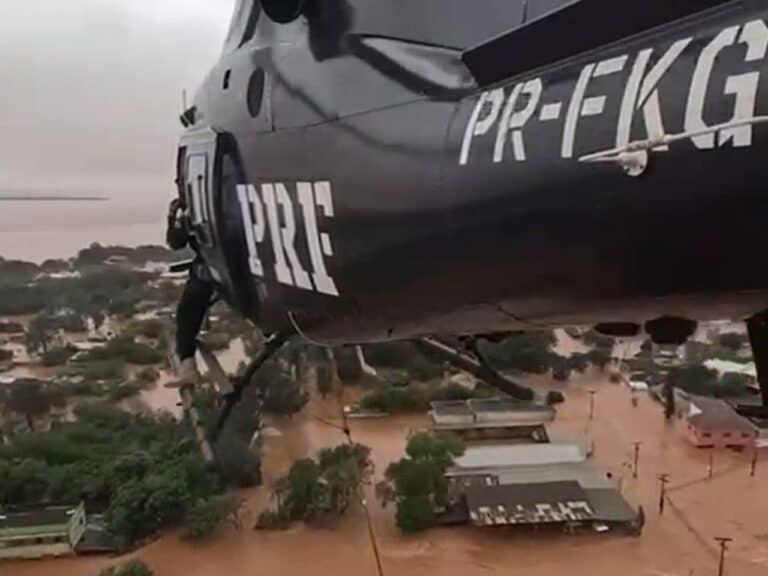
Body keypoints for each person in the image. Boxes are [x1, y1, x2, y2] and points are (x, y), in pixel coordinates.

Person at [166, 197, 214, 388]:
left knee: (187, 313)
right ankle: (189, 368)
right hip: (221, 268)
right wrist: (173, 217)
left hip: (212, 270)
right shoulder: (190, 210)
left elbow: (175, 242)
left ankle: (188, 367)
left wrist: (173, 217)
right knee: (187, 312)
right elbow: (176, 241)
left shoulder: (194, 207)